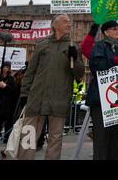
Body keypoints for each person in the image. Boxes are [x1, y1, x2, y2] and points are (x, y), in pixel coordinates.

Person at [18, 14, 84, 160]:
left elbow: (79, 75)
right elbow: (30, 72)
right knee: (28, 137)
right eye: (66, 22)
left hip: (59, 99)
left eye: (70, 22)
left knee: (55, 139)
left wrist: (74, 59)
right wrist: (24, 94)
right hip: (37, 98)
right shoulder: (42, 45)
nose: (69, 24)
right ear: (55, 25)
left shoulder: (73, 47)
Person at [87, 20, 118, 160]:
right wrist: (116, 61)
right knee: (101, 141)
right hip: (100, 100)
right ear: (105, 32)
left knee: (116, 141)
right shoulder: (99, 46)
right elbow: (97, 66)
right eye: (114, 29)